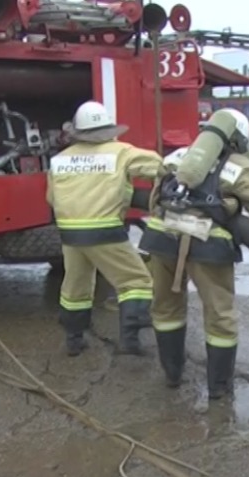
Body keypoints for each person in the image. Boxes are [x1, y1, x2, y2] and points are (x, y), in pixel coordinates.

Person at [139, 108, 249, 397]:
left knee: (166, 308)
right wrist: (240, 226)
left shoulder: (177, 157)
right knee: (220, 316)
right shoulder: (240, 167)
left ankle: (172, 374)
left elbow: (156, 200)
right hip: (208, 248)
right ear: (239, 139)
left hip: (161, 239)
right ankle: (219, 389)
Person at [46, 100, 165, 357]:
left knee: (76, 286)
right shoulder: (122, 152)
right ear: (108, 129)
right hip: (105, 230)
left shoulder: (59, 160)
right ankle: (130, 341)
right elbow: (160, 167)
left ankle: (74, 340)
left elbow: (50, 199)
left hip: (70, 233)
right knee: (136, 281)